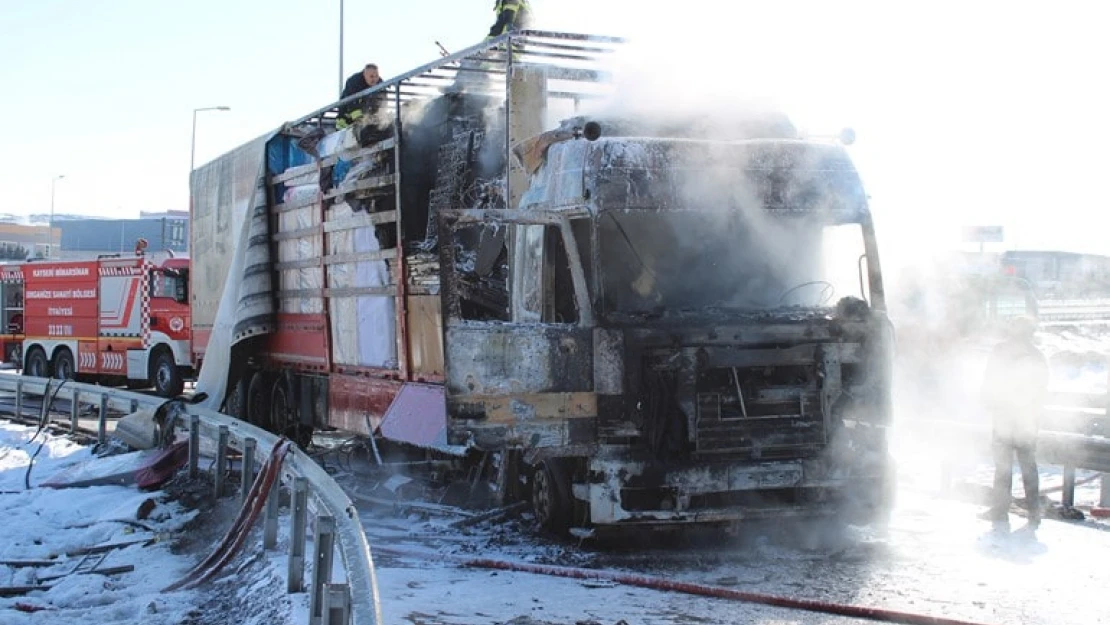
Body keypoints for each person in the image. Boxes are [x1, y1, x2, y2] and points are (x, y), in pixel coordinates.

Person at [980, 316, 1048, 530]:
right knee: (1028, 465)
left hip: (1004, 417)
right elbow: (1041, 389)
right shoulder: (1036, 356)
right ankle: (1034, 511)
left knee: (1003, 466)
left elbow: (989, 381)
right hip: (1026, 419)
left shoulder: (1000, 351)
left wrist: (990, 402)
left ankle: (1000, 511)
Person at [337, 63, 383, 130]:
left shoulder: (380, 83)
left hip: (365, 116)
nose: (374, 79)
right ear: (364, 74)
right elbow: (351, 102)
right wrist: (359, 119)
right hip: (345, 117)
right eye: (371, 76)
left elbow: (382, 100)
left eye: (376, 76)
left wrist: (379, 116)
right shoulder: (353, 81)